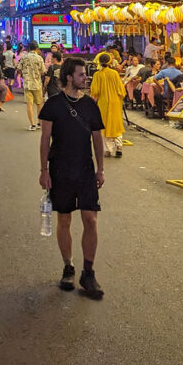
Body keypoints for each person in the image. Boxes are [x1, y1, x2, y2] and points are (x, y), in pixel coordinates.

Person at [39, 57, 105, 299]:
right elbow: (45, 139)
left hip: (85, 169)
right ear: (69, 77)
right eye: (81, 75)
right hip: (60, 169)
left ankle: (88, 272)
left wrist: (101, 168)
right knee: (64, 220)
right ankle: (68, 267)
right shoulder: (53, 105)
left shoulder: (90, 105)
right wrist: (44, 170)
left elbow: (97, 138)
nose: (85, 78)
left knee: (91, 220)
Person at [90, 53, 126, 157]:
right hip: (115, 102)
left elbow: (95, 91)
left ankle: (108, 150)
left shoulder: (97, 75)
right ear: (110, 61)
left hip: (103, 103)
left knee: (104, 125)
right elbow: (121, 90)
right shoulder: (114, 73)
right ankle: (119, 146)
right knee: (116, 124)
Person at [18, 42, 47, 130]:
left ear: (29, 48)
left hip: (27, 83)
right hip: (37, 84)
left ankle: (32, 125)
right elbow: (43, 71)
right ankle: (39, 123)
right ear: (37, 48)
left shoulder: (24, 57)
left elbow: (19, 69)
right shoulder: (39, 58)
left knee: (29, 104)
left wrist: (24, 75)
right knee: (39, 104)